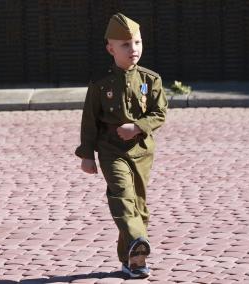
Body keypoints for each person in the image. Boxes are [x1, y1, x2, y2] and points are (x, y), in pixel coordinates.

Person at [75, 13, 168, 279]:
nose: (133, 49)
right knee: (121, 194)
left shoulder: (151, 81)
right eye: (126, 44)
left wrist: (137, 127)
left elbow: (159, 113)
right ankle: (138, 239)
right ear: (110, 49)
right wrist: (87, 155)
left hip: (142, 151)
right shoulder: (100, 82)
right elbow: (89, 120)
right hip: (110, 150)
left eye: (137, 43)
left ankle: (134, 260)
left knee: (138, 205)